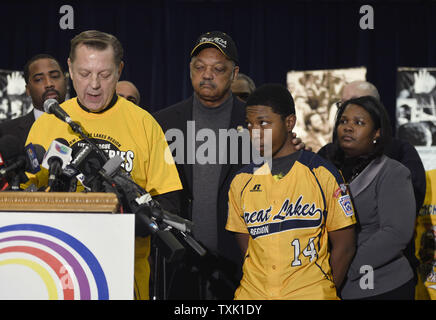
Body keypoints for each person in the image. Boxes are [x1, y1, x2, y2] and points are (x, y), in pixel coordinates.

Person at [24, 30, 182, 300]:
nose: (94, 85)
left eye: (105, 74)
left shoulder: (145, 124)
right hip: (55, 273)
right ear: (70, 70)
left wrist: (118, 223)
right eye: (85, 74)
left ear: (119, 71)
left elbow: (169, 203)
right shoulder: (46, 124)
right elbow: (23, 199)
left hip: (124, 276)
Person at [225, 83, 356, 300]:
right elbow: (248, 249)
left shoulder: (322, 173)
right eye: (249, 125)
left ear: (289, 122)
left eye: (263, 123)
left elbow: (346, 245)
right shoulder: (241, 181)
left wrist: (322, 288)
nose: (255, 133)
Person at [318, 80, 426, 289]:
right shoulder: (325, 156)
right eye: (342, 110)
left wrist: (345, 264)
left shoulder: (400, 157)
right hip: (331, 276)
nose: (348, 124)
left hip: (379, 277)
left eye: (358, 120)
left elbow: (397, 228)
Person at [0, 54, 67, 148]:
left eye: (54, 76)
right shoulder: (6, 131)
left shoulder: (83, 124)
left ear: (65, 81)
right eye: (39, 79)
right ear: (28, 90)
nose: (49, 84)